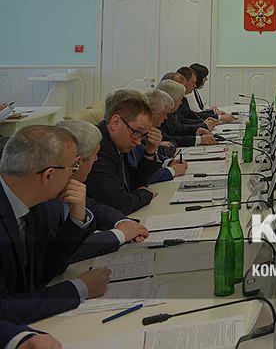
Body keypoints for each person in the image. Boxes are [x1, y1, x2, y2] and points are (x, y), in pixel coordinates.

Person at [0, 126, 110, 323]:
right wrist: (79, 289)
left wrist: (76, 217)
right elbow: (4, 309)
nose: (74, 174)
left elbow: (48, 268)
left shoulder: (33, 201)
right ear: (48, 175)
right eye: (72, 167)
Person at [54, 120, 150, 262]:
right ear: (78, 162)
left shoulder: (67, 184)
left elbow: (92, 206)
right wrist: (119, 234)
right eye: (95, 154)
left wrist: (122, 222)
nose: (96, 159)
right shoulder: (45, 195)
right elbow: (61, 250)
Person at [86, 92, 160, 215]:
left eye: (142, 136)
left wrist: (150, 151)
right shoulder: (98, 148)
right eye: (136, 133)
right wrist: (145, 195)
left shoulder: (116, 142)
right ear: (115, 122)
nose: (138, 142)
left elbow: (133, 184)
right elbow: (120, 204)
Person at [140, 89, 189, 184]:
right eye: (164, 113)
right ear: (151, 112)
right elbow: (137, 175)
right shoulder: (136, 134)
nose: (166, 118)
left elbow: (169, 143)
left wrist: (169, 162)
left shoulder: (150, 130)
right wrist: (172, 171)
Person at [158, 80, 216, 147]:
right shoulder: (159, 115)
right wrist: (199, 140)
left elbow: (178, 129)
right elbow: (169, 139)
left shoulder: (168, 113)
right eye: (180, 100)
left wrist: (196, 130)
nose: (181, 103)